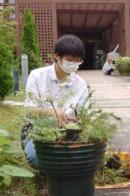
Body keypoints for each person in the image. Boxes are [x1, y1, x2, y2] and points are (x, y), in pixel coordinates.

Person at [21, 34, 89, 170]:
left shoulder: (80, 84)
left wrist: (77, 121)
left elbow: (84, 116)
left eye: (78, 61)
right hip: (38, 129)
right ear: (57, 56)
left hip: (67, 132)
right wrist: (53, 113)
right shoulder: (37, 76)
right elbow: (29, 111)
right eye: (70, 60)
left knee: (84, 158)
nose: (74, 65)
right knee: (37, 159)